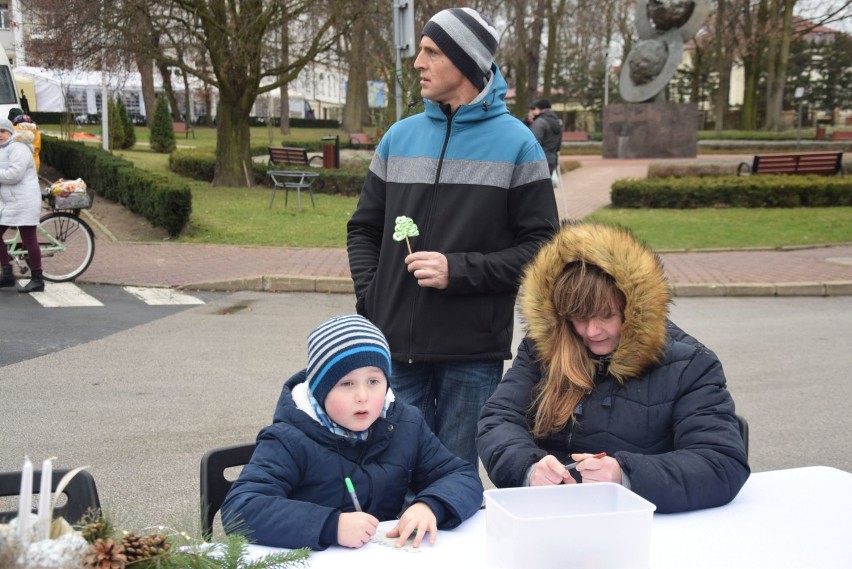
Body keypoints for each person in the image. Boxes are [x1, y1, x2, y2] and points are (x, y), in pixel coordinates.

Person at [346, 7, 559, 467]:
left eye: (432, 51)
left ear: (465, 62)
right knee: (393, 476)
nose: (418, 62)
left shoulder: (519, 145)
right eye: (420, 49)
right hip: (395, 347)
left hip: (472, 352)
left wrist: (458, 270)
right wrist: (372, 296)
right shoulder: (398, 138)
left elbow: (543, 249)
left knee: (454, 475)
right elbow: (363, 228)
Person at [476, 222, 750, 513]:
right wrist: (529, 468)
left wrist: (624, 475)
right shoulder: (544, 349)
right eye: (578, 318)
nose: (592, 331)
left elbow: (721, 462)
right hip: (550, 518)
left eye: (606, 316)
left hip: (642, 528)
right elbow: (498, 420)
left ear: (632, 308)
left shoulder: (689, 364)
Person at [220, 315, 484, 551]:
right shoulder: (288, 439)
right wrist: (330, 526)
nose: (363, 396)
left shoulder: (405, 423)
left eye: (373, 381)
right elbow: (240, 509)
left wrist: (431, 505)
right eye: (346, 383)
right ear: (321, 390)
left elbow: (461, 475)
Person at [0, 118, 44, 293]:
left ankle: (38, 279)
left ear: (11, 132)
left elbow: (14, 175)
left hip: (24, 200)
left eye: (3, 131)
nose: (0, 135)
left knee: (29, 239)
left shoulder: (19, 147)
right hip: (9, 201)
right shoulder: (3, 148)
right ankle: (7, 274)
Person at [528, 98, 562, 175]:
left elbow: (533, 145)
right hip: (551, 160)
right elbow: (558, 145)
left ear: (538, 108)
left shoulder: (540, 122)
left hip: (539, 161)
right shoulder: (557, 122)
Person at [8, 107, 41, 172]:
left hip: (17, 164)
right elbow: (37, 148)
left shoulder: (12, 130)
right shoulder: (35, 129)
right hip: (34, 163)